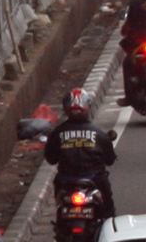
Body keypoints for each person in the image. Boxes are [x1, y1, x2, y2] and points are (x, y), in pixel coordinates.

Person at [43, 88, 119, 216]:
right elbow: (110, 160)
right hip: (94, 178)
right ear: (88, 107)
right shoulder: (99, 134)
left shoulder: (57, 133)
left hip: (66, 180)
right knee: (108, 210)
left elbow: (51, 159)